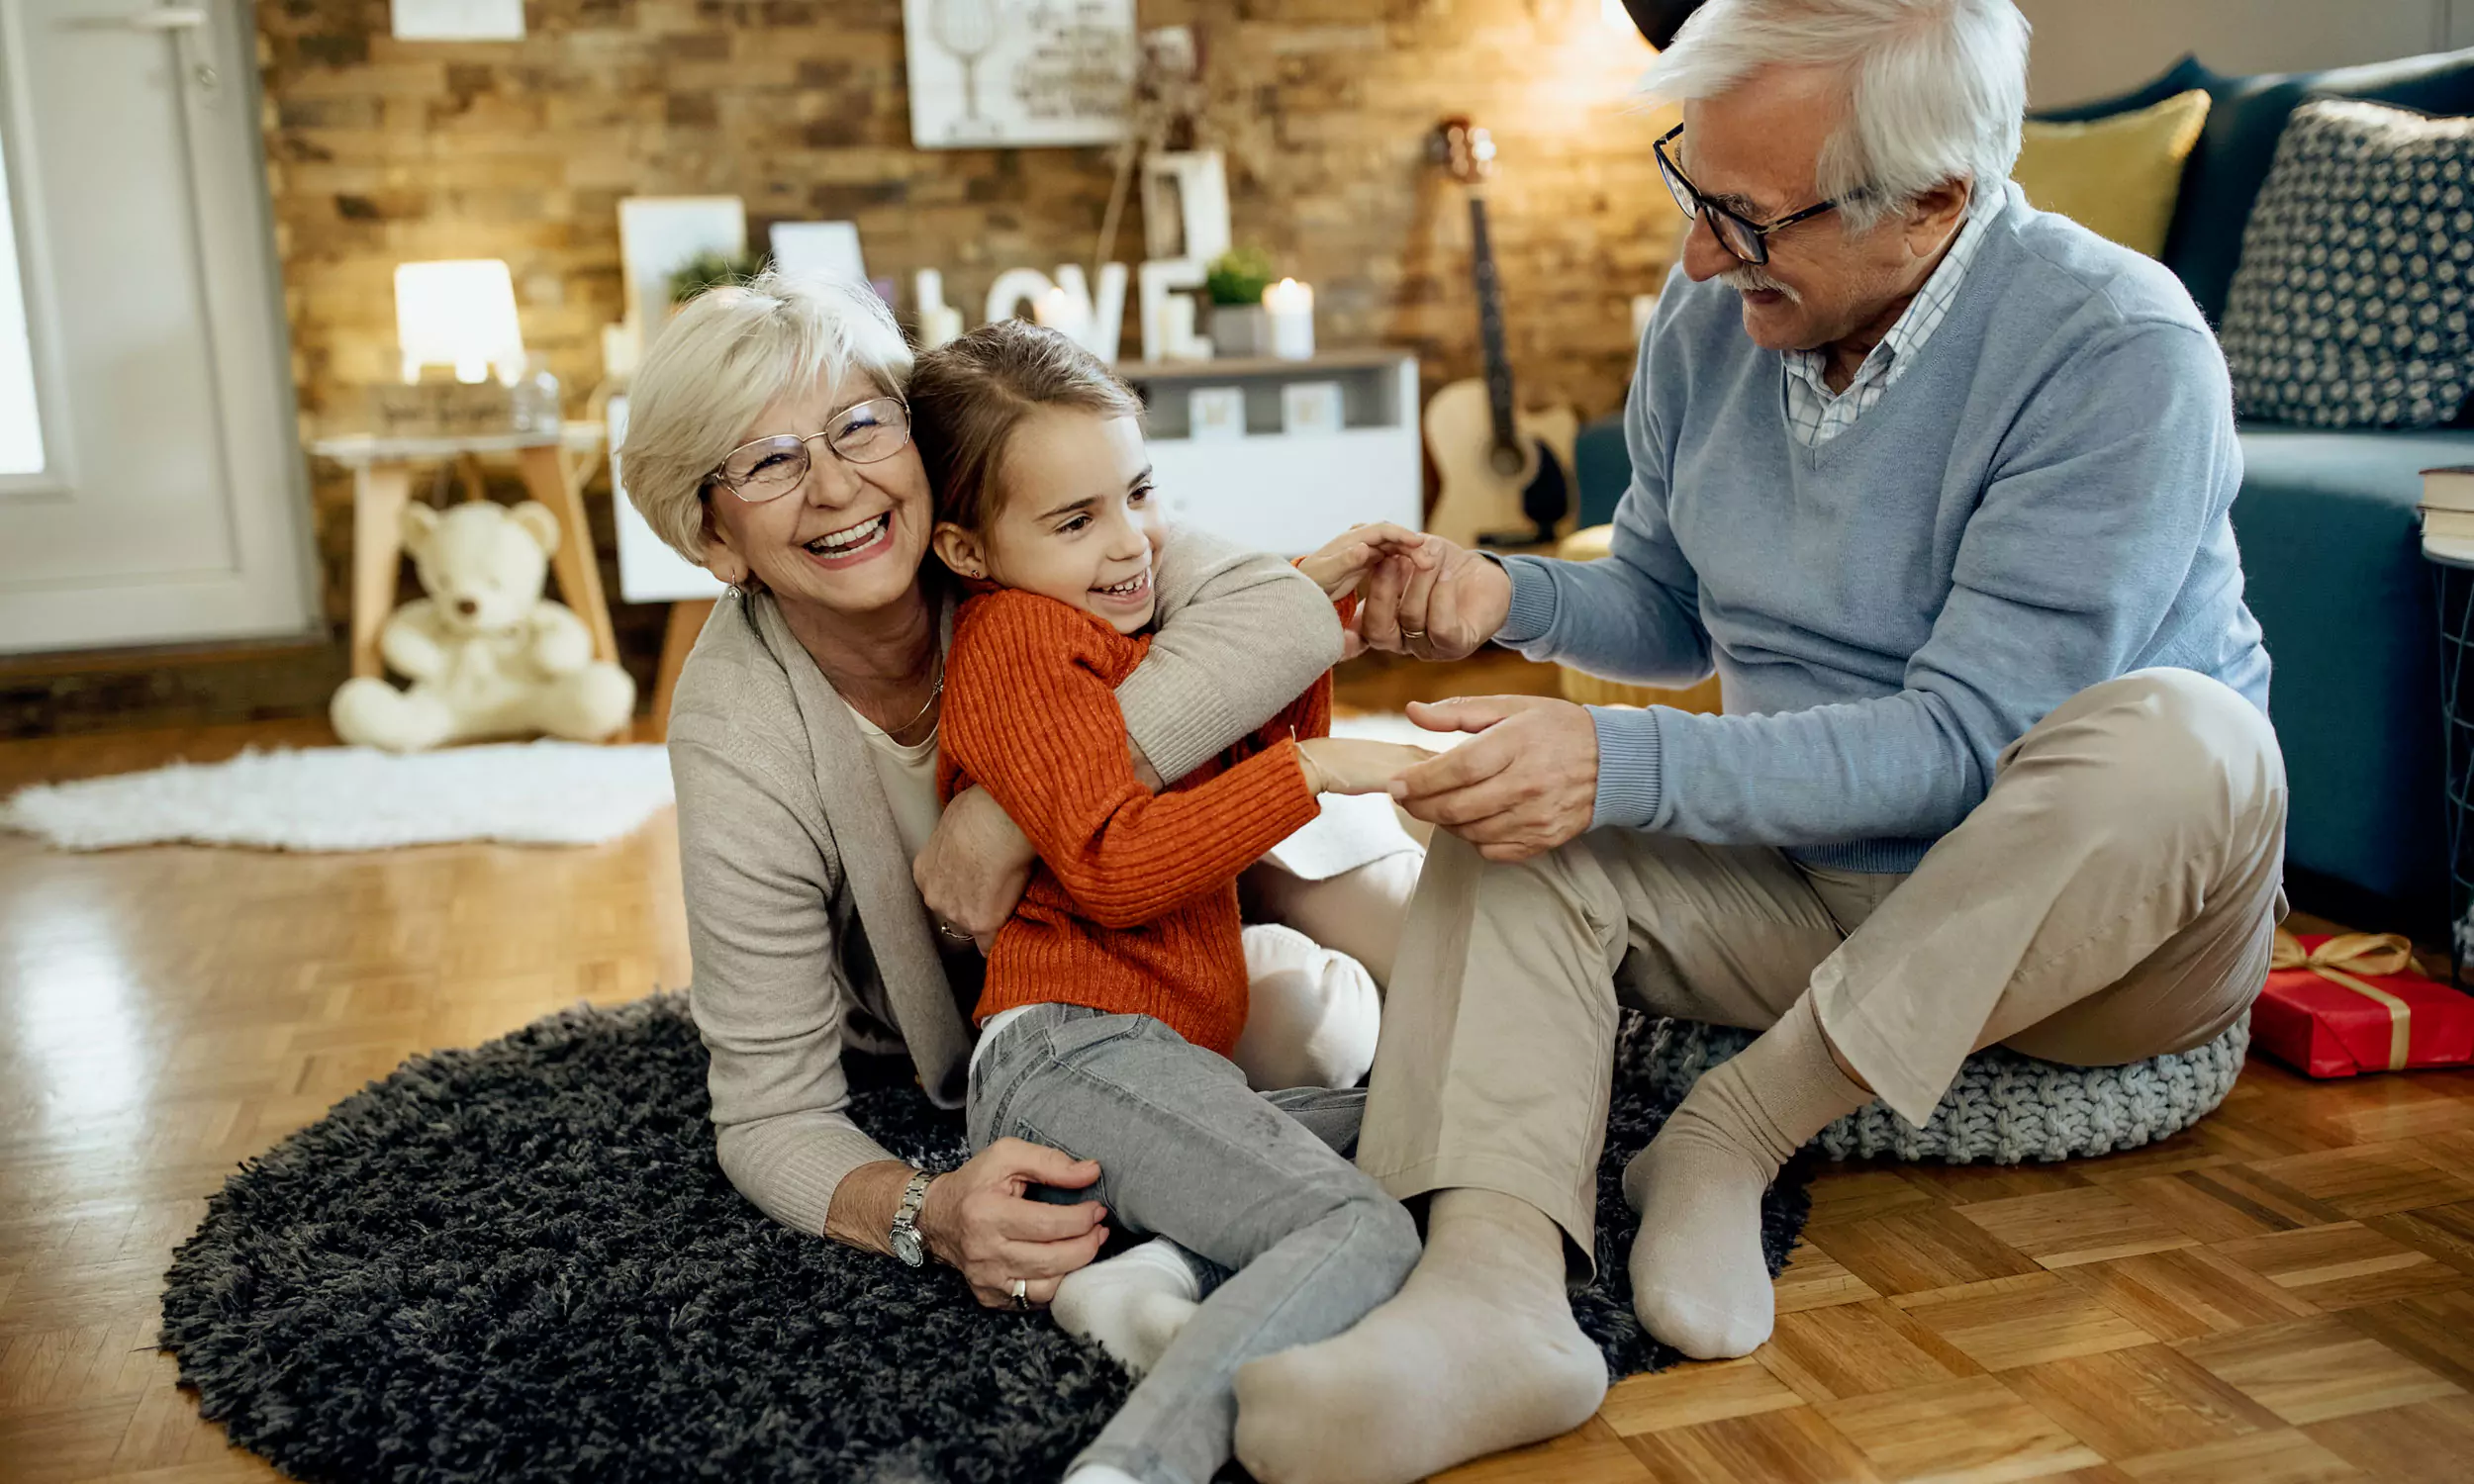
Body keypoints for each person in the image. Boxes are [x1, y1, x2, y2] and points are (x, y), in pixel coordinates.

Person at [1227, 3, 2285, 1482]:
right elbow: (1670, 603)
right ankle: (1491, 1297)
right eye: (1693, 189)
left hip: (2090, 936)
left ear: (1932, 201)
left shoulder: (2115, 351)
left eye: (1745, 219)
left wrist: (1621, 765)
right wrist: (1502, 592)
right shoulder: (1714, 323)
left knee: (2188, 739)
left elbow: (1970, 748)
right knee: (1516, 820)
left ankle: (1736, 1124)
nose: (1698, 257)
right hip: (1814, 882)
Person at [618, 270, 1428, 1315]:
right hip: (1033, 1018)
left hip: (1204, 886)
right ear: (714, 538)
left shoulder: (1032, 521)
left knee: (1449, 945)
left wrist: (1006, 811)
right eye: (769, 463)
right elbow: (770, 1118)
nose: (835, 488)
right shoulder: (738, 729)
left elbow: (1268, 617)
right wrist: (923, 1210)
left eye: (860, 427)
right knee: (1288, 1050)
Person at [911, 319, 1435, 1484]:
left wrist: (1305, 617)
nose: (1131, 545)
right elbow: (1114, 863)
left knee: (1445, 1129)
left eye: (1137, 494)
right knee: (1356, 1225)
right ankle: (1137, 1467)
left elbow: (1231, 736)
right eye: (1074, 520)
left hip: (1148, 1061)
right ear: (965, 548)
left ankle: (1151, 1276)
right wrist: (1300, 776)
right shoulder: (1018, 641)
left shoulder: (1105, 634)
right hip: (1069, 1054)